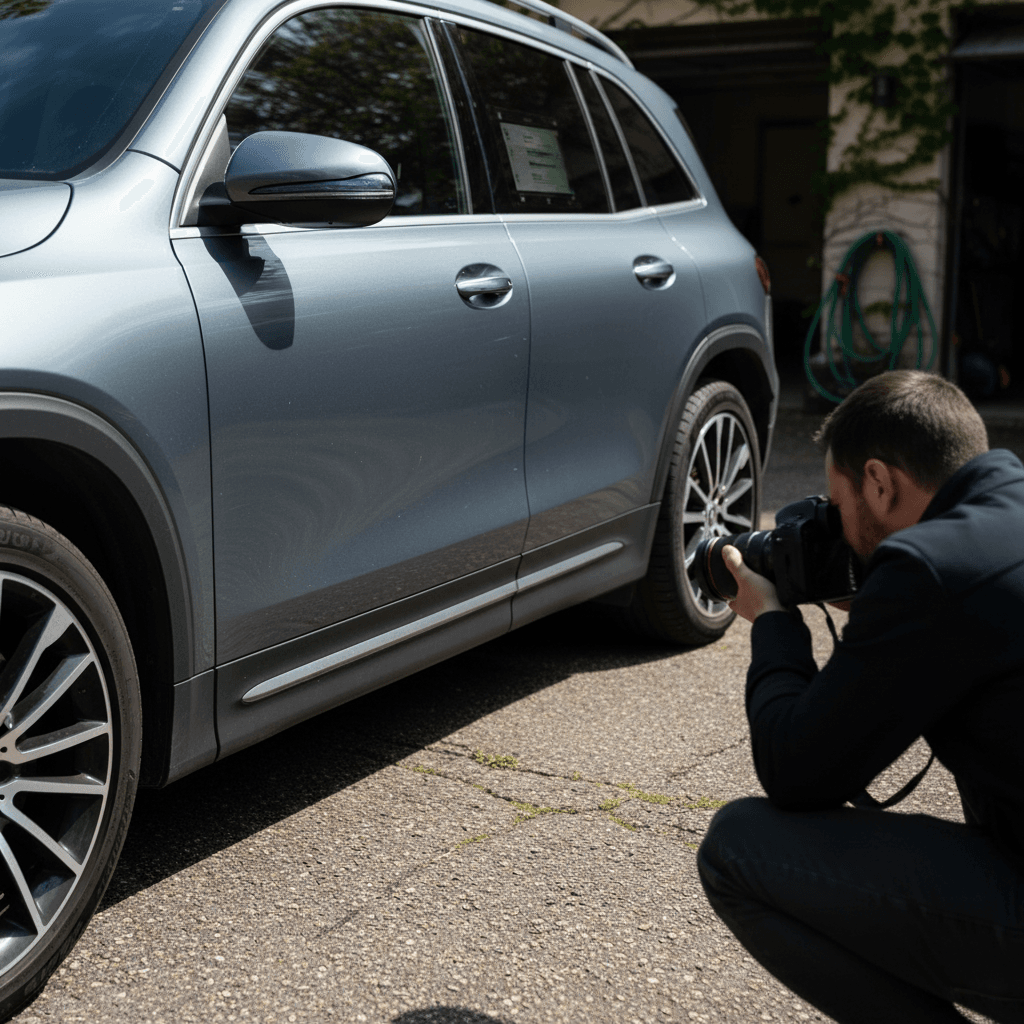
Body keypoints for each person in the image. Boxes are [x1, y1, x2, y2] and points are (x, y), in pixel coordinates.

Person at [697, 370, 1024, 1024]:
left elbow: (797, 770)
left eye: (838, 503)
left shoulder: (931, 571)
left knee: (737, 850)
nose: (839, 527)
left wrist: (775, 622)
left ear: (880, 481)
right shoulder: (1004, 507)